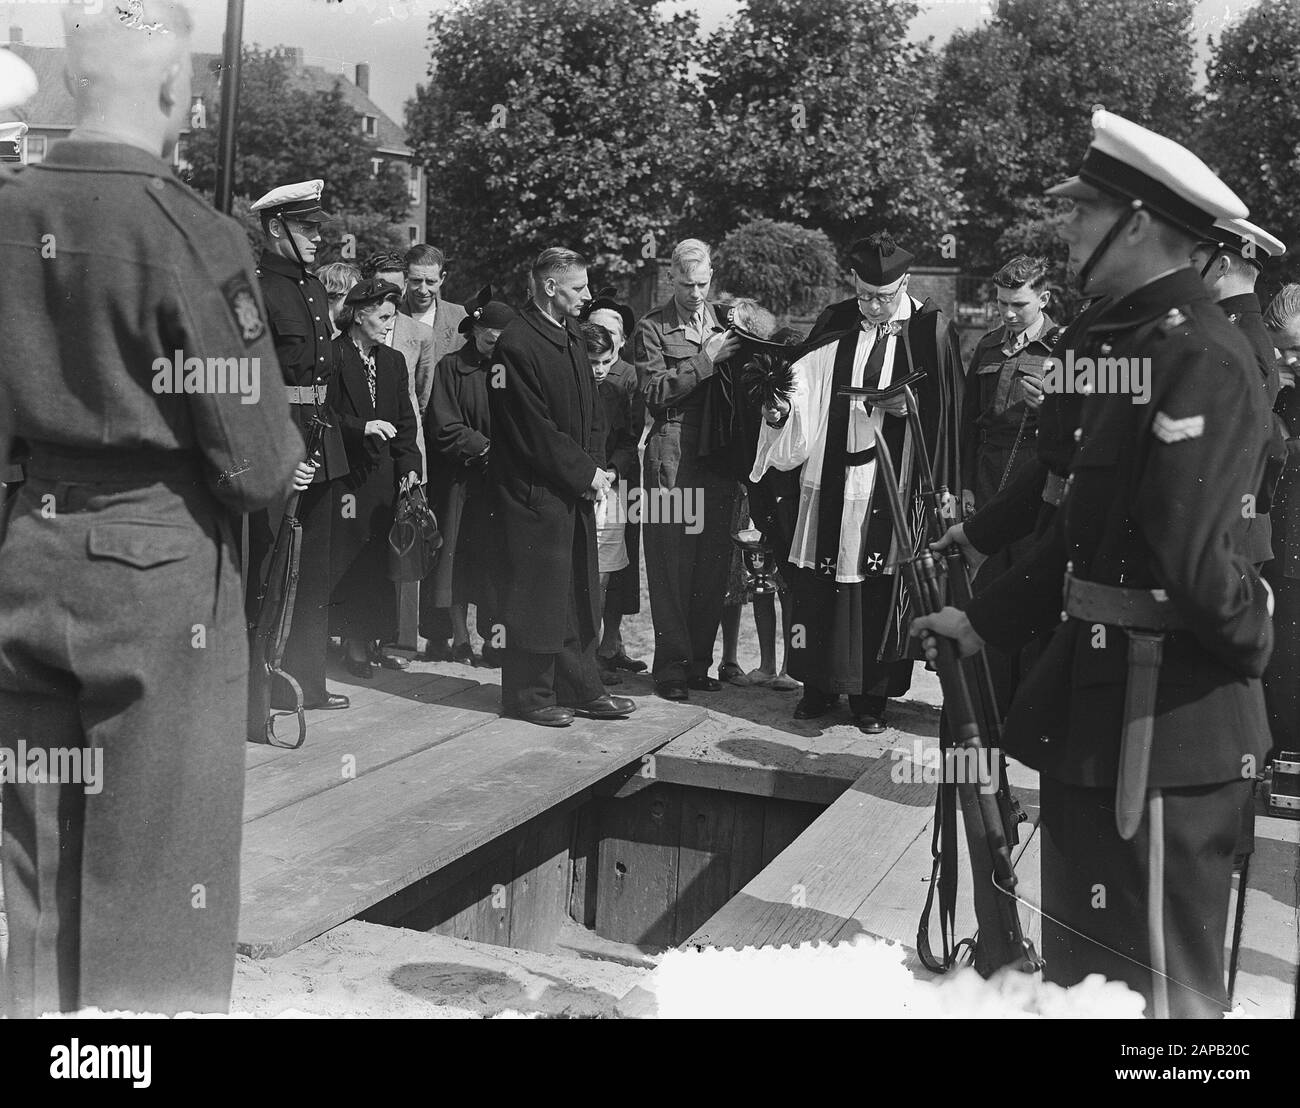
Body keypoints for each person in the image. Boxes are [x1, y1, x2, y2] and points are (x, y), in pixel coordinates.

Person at [914, 110, 1272, 1018]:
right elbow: (1079, 527)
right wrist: (984, 618)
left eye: (1084, 212)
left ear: (1140, 224)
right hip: (1094, 705)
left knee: (1169, 1001)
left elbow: (1197, 566)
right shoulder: (1113, 346)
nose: (1067, 227)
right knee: (1090, 987)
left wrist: (1256, 628)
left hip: (1171, 719)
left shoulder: (1204, 356)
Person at [0, 1, 302, 1017]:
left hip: (25, 549)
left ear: (73, 86)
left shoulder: (5, 214)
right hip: (156, 570)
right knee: (155, 868)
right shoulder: (190, 232)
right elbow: (259, 464)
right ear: (176, 91)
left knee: (33, 853)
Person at [753, 231, 964, 733]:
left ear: (905, 284)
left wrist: (906, 407)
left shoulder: (930, 329)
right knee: (817, 581)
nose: (871, 305)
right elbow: (800, 387)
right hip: (829, 476)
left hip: (893, 481)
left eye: (883, 297)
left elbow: (948, 412)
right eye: (864, 293)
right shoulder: (837, 320)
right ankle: (816, 687)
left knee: (880, 585)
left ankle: (872, 699)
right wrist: (781, 409)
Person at [488, 247, 635, 727]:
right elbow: (533, 428)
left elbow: (591, 410)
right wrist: (585, 473)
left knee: (577, 592)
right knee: (536, 597)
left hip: (573, 488)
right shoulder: (516, 342)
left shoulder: (570, 332)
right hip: (534, 494)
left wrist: (598, 468)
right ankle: (529, 697)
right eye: (579, 287)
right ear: (550, 287)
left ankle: (580, 687)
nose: (588, 296)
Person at [248, 177, 351, 711]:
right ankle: (260, 685)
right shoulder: (256, 287)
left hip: (319, 433)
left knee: (313, 567)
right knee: (269, 564)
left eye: (316, 227)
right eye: (306, 228)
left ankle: (306, 679)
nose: (316, 238)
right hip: (277, 439)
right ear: (274, 227)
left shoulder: (311, 287)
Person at [635, 239, 743, 700]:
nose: (696, 292)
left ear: (711, 276)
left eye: (702, 283)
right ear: (670, 278)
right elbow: (655, 392)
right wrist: (706, 360)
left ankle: (700, 663)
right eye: (685, 283)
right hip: (671, 454)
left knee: (712, 563)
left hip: (715, 457)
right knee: (670, 562)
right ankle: (672, 668)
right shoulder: (651, 327)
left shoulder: (727, 322)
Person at [960, 254, 1062, 712]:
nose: (1007, 313)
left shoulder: (1065, 349)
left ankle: (1029, 705)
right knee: (987, 591)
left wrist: (1051, 409)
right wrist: (962, 484)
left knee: (1030, 591)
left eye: (1018, 305)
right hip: (987, 478)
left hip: (1035, 482)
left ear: (1043, 298)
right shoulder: (985, 347)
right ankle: (989, 703)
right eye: (1002, 303)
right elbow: (968, 423)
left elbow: (1084, 426)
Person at [329, 278, 422, 679]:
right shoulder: (331, 357)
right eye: (383, 316)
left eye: (392, 316)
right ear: (359, 314)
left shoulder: (393, 361)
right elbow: (323, 415)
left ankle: (372, 639)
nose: (389, 324)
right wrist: (360, 427)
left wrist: (411, 472)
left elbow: (405, 423)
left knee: (378, 562)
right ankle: (351, 643)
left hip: (384, 481)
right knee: (349, 560)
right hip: (346, 480)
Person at [1191, 217, 1288, 569]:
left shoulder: (1238, 340)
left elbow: (1267, 447)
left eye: (1191, 262)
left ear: (1221, 264)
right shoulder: (1226, 331)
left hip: (1225, 533)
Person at [428, 291, 516, 667]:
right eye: (488, 340)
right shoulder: (451, 367)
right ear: (475, 331)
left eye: (501, 342)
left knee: (496, 562)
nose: (494, 348)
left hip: (502, 483)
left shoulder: (515, 369)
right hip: (462, 479)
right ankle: (459, 638)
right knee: (456, 558)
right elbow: (444, 423)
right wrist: (483, 449)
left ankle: (494, 642)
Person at [404, 243, 468, 660]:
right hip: (409, 439)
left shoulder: (459, 318)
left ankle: (449, 634)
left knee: (448, 539)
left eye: (431, 280)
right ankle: (406, 633)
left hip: (450, 444)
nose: (423, 288)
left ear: (442, 279)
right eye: (415, 280)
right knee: (409, 536)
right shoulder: (393, 314)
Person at [581, 291, 647, 679]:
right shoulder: (582, 378)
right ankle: (588, 652)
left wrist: (613, 471)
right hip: (583, 481)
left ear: (622, 340)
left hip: (616, 482)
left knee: (613, 568)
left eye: (614, 333)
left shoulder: (626, 378)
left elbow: (630, 434)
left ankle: (610, 644)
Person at [1262, 285, 1300, 763]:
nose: (1292, 358)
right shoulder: (1280, 396)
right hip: (1279, 553)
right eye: (1285, 349)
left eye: (1299, 346)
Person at [364, 251, 437, 483]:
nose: (389, 295)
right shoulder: (350, 332)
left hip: (407, 451)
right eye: (381, 287)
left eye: (396, 288)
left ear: (405, 287)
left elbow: (423, 396)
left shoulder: (421, 334)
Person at [316, 261, 362, 337]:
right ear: (331, 295)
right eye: (352, 293)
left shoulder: (351, 332)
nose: (357, 299)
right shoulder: (315, 332)